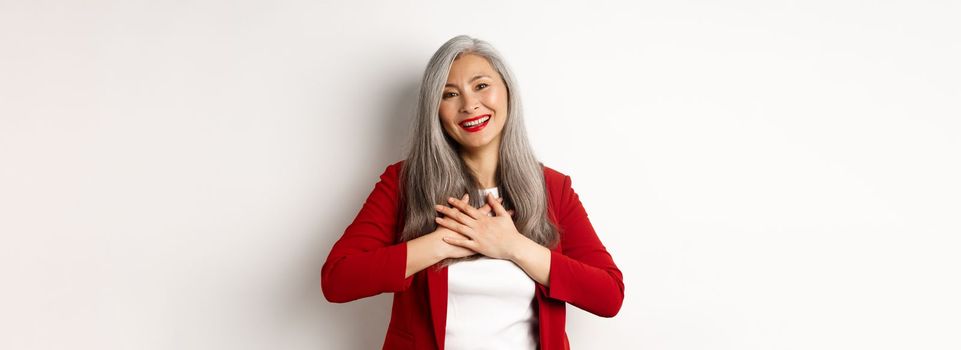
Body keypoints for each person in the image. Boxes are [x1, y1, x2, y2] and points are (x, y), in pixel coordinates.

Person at [321, 34, 624, 350]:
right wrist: (441, 243)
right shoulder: (404, 183)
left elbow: (609, 295)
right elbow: (338, 279)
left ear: (506, 90)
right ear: (435, 110)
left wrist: (512, 246)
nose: (469, 105)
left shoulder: (553, 189)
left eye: (481, 86)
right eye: (450, 94)